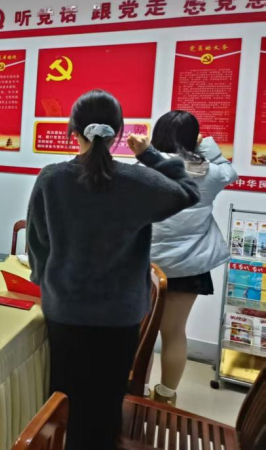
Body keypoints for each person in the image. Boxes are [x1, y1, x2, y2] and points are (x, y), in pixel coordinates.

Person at [26, 90, 200, 450]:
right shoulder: (137, 181)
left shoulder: (52, 178)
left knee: (63, 397)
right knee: (106, 402)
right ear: (118, 133)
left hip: (65, 311)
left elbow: (38, 244)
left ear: (73, 131)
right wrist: (149, 155)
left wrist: (46, 284)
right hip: (119, 316)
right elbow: (188, 190)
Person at [148, 111, 238, 406]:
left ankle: (135, 388)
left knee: (140, 331)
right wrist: (206, 144)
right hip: (189, 265)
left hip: (145, 264)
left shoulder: (145, 168)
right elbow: (229, 171)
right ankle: (166, 397)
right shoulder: (208, 172)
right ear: (192, 139)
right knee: (174, 333)